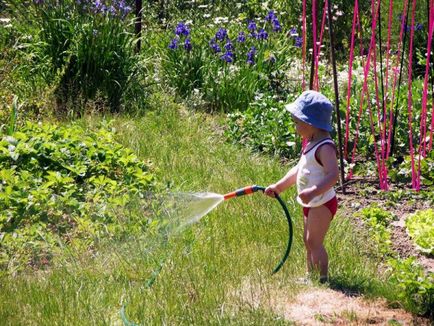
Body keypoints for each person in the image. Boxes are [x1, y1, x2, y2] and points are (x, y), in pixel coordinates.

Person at [265, 90, 339, 284]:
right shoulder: (311, 142)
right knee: (308, 241)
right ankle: (310, 276)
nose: (295, 126)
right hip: (311, 201)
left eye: (297, 122)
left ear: (311, 123)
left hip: (322, 202)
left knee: (314, 241)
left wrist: (314, 191)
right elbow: (299, 169)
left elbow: (333, 175)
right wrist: (279, 187)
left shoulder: (325, 147)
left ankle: (323, 280)